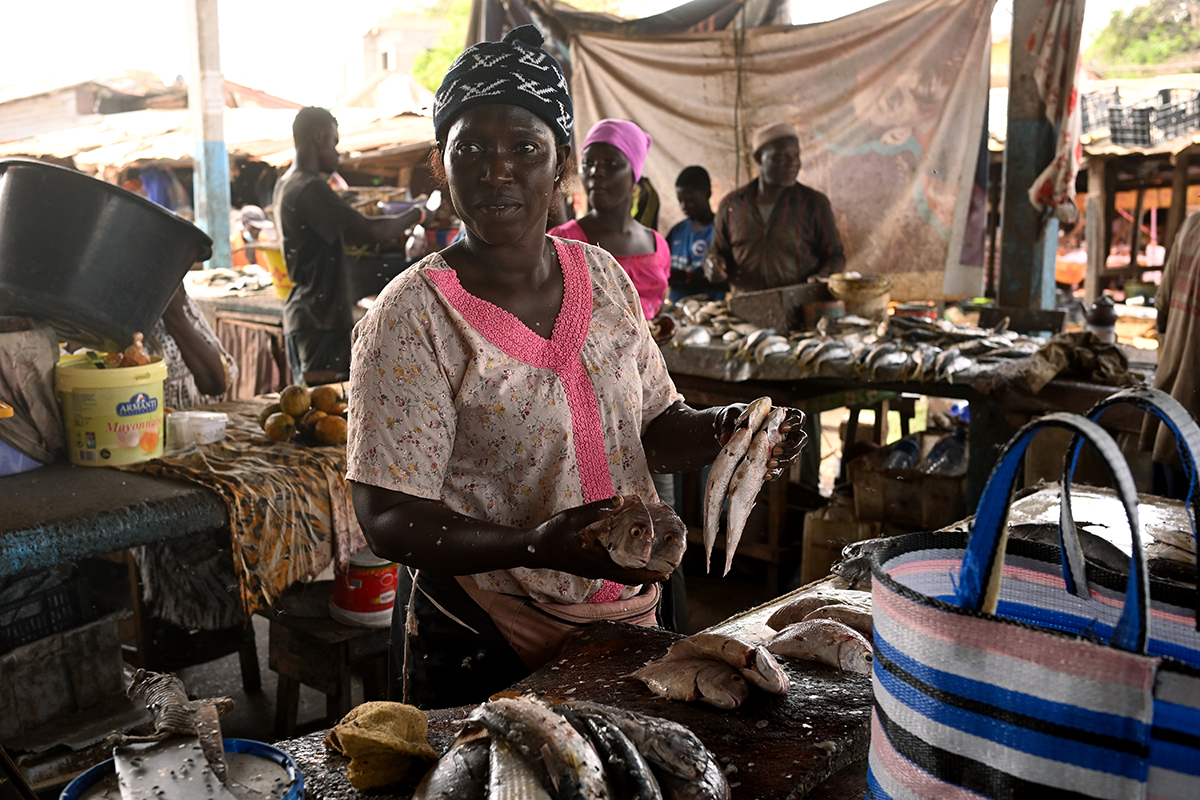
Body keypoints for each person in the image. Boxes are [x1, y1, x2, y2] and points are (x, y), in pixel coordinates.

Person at [346, 25, 807, 710]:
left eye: (525, 149)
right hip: (486, 626)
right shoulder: (410, 317)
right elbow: (385, 512)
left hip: (629, 612)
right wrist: (535, 544)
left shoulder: (604, 278)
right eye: (470, 147)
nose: (497, 170)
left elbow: (653, 423)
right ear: (441, 165)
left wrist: (728, 428)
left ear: (561, 162)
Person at [273, 106, 424, 386]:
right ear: (318, 137)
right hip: (320, 321)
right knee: (322, 411)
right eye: (334, 143)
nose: (337, 153)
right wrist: (418, 211)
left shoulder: (286, 184)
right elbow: (369, 231)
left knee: (316, 411)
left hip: (308, 316)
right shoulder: (309, 188)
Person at [547, 118, 670, 321]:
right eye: (588, 163)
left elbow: (655, 309)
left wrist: (661, 325)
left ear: (634, 173)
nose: (596, 172)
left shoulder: (657, 245)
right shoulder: (562, 242)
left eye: (611, 163)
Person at [704, 122, 845, 293]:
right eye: (780, 158)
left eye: (796, 156)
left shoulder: (813, 203)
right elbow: (717, 251)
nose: (793, 163)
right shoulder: (732, 205)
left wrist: (823, 276)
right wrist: (712, 264)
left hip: (799, 305)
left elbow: (835, 255)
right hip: (747, 307)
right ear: (758, 159)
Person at [1140, 210, 1200, 500]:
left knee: (1166, 534)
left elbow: (1162, 310)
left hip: (1172, 415)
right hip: (1195, 437)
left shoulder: (1192, 224)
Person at [667, 165, 725, 302]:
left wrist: (684, 276)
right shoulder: (677, 231)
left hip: (709, 311)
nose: (684, 207)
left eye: (690, 200)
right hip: (676, 312)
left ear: (707, 193)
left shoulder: (721, 231)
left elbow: (726, 283)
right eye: (680, 201)